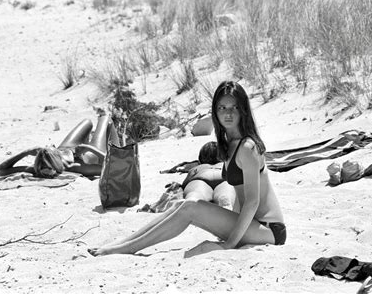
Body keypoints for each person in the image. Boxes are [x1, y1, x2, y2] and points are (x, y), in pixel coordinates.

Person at [88, 80, 285, 256]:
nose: (228, 113)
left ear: (243, 110)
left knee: (191, 206)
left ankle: (128, 248)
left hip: (268, 229)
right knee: (178, 205)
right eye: (222, 107)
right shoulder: (229, 142)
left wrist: (229, 243)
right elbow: (240, 197)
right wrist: (229, 228)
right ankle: (123, 242)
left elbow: (252, 201)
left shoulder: (247, 147)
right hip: (250, 225)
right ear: (215, 111)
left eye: (234, 107)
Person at [0, 113, 119, 179]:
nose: (46, 174)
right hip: (87, 153)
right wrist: (89, 149)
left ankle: (90, 139)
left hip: (64, 149)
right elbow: (114, 167)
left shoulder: (38, 169)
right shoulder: (76, 167)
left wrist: (28, 152)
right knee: (105, 119)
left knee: (87, 122)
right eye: (44, 171)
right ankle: (117, 146)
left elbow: (0, 171)